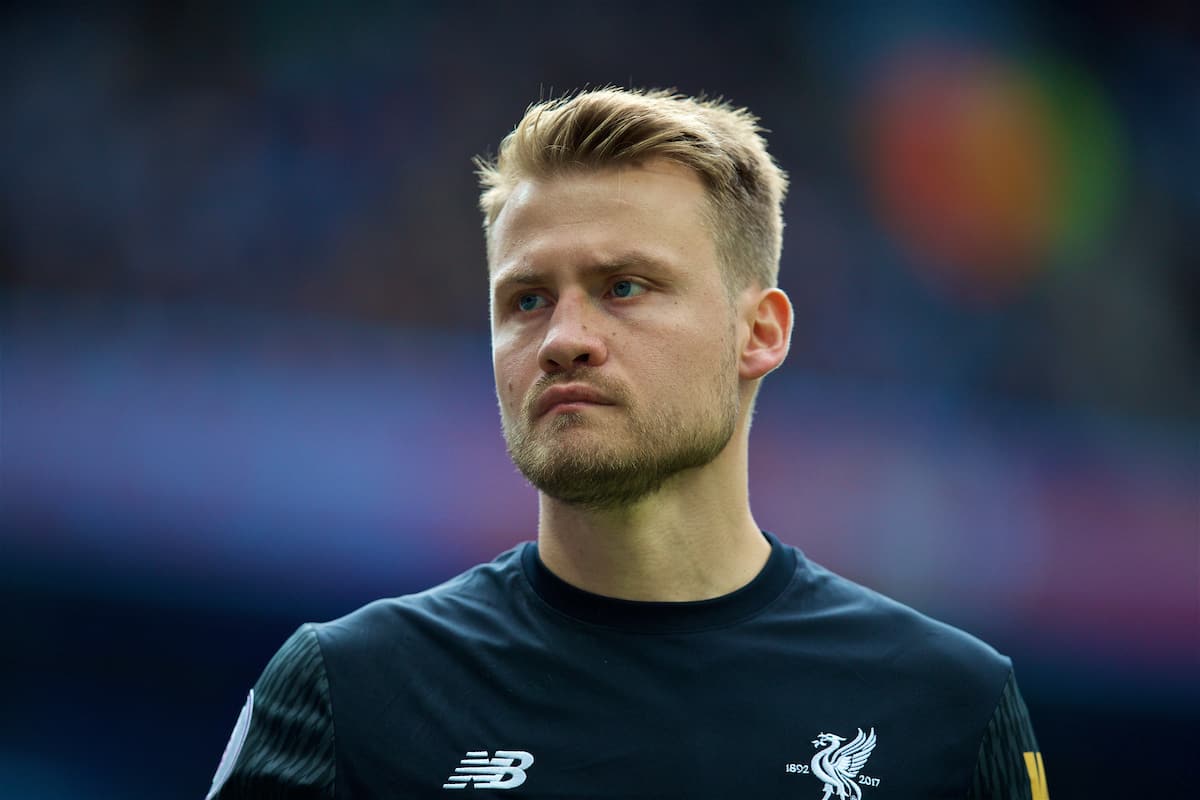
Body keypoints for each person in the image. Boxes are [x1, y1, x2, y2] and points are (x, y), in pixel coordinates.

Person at [206, 87, 1048, 800]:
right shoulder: (351, 694)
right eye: (527, 300)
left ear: (758, 331)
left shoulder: (949, 706)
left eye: (624, 287)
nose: (564, 338)